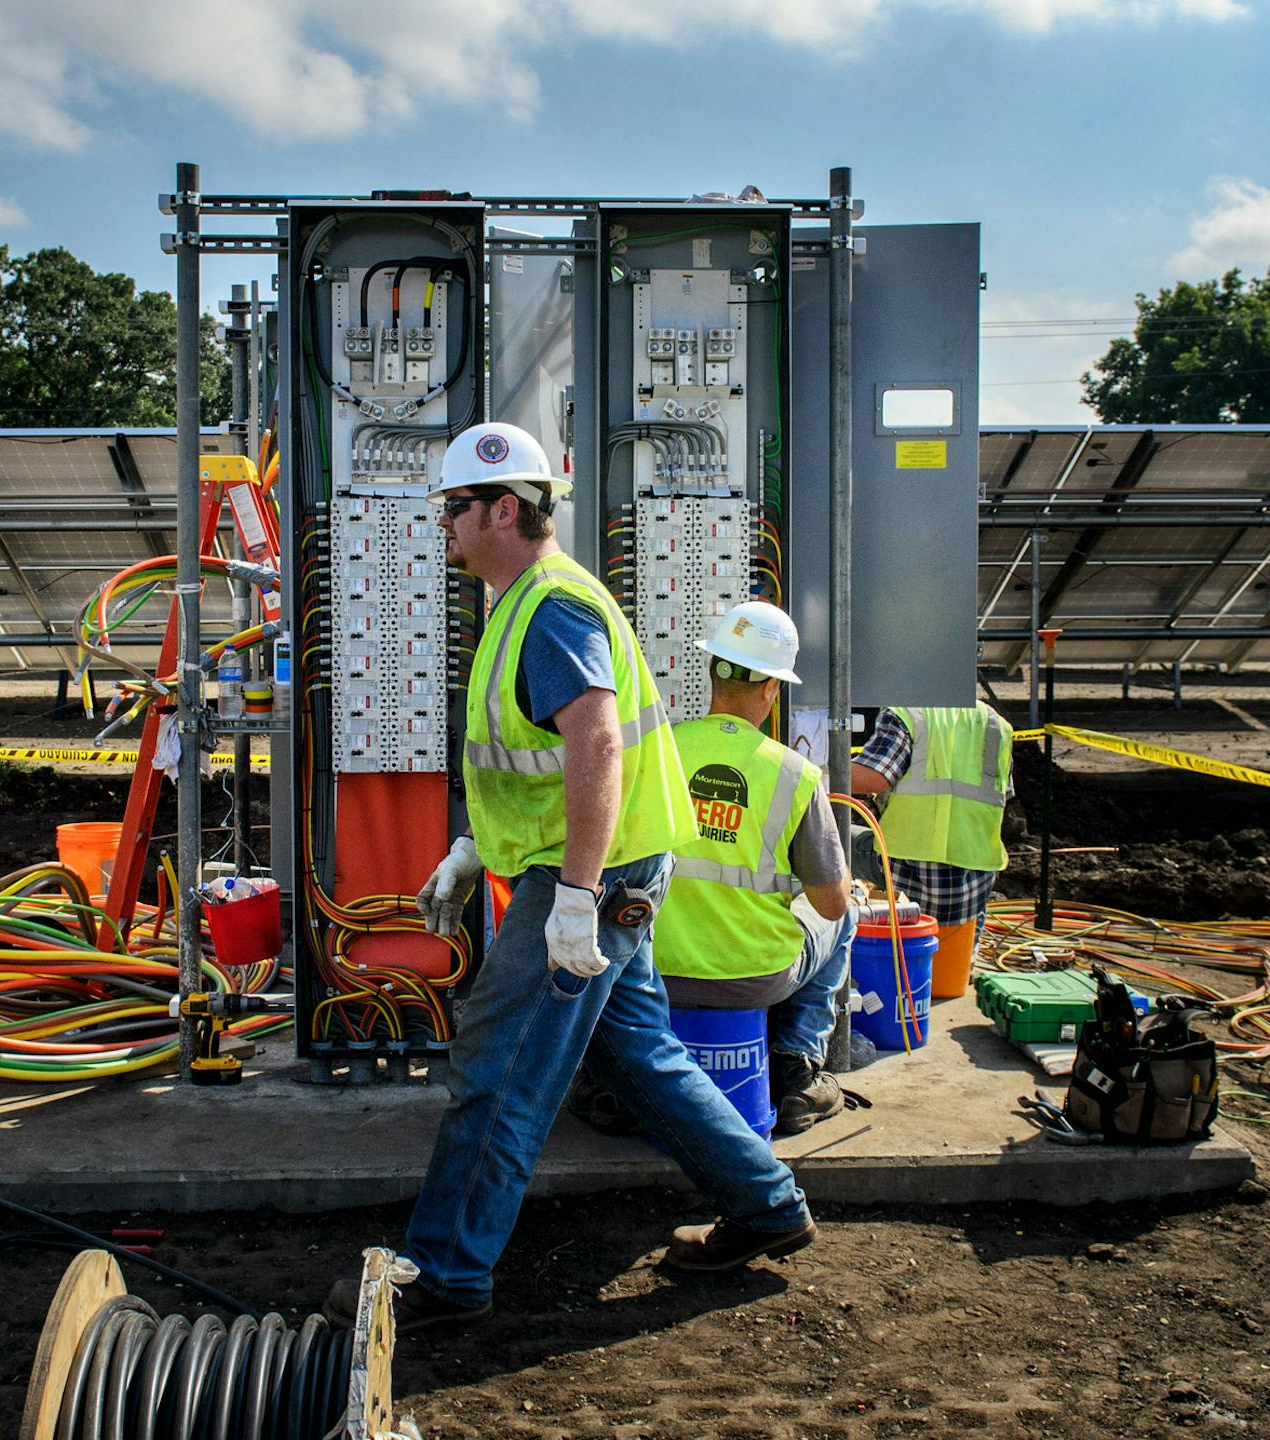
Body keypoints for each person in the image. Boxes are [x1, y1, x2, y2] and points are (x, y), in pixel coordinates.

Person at [325, 422, 815, 1333]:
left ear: (503, 509)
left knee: (498, 1070)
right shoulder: (527, 601)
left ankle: (445, 1272)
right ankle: (769, 1206)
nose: (445, 525)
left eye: (456, 508)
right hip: (590, 868)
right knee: (641, 1056)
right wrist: (480, 847)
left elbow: (594, 743)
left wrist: (579, 899)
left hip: (588, 877)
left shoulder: (549, 606)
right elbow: (546, 755)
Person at [647, 600, 854, 1135]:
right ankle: (797, 1068)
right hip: (753, 977)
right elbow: (829, 903)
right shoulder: (795, 775)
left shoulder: (659, 752)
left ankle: (613, 1080)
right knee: (848, 916)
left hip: (655, 974)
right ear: (771, 689)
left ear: (713, 670)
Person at [848, 702, 1015, 998]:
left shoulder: (906, 713)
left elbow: (875, 776)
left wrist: (814, 769)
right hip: (977, 872)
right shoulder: (996, 722)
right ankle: (960, 965)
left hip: (910, 867)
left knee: (836, 837)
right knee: (964, 924)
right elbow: (1005, 792)